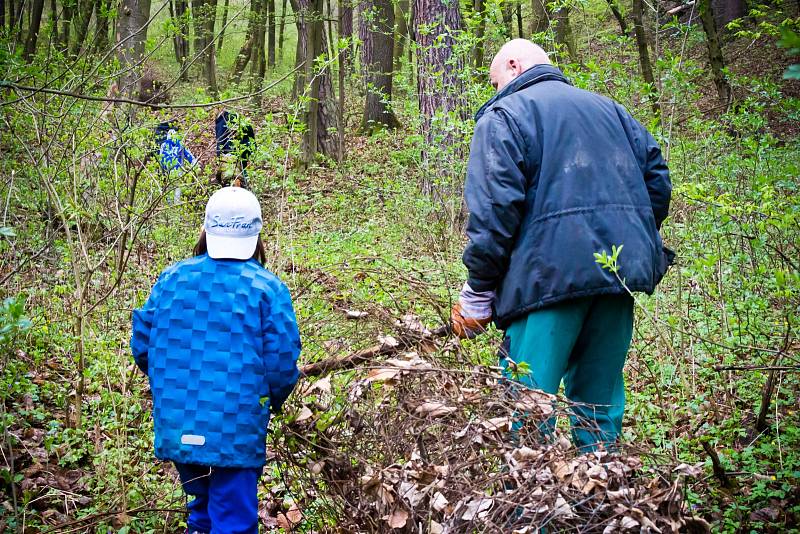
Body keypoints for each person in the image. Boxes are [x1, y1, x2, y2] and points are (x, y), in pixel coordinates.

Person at [450, 39, 673, 451]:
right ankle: (604, 508)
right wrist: (625, 234)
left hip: (544, 285)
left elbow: (494, 213)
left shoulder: (504, 116)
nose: (496, 90)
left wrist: (478, 291)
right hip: (615, 278)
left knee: (528, 413)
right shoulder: (613, 112)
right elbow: (657, 182)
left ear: (514, 65)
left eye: (496, 80)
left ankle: (530, 514)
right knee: (599, 407)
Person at [131, 187, 301, 533]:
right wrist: (270, 403)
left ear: (206, 230)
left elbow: (143, 346)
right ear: (255, 237)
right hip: (236, 427)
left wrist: (176, 389)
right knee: (232, 519)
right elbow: (282, 366)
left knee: (201, 511)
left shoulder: (171, 279)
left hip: (180, 425)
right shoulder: (267, 288)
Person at [154, 121, 197, 203]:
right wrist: (194, 163)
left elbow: (161, 158)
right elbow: (188, 155)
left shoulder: (167, 145)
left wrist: (161, 170)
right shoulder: (177, 144)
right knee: (175, 188)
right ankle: (173, 204)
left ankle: (172, 204)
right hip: (174, 170)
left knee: (172, 189)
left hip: (171, 171)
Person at [215, 111, 255, 188]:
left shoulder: (220, 123)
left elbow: (220, 142)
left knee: (230, 174)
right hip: (244, 149)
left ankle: (231, 186)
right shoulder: (241, 119)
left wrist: (219, 157)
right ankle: (245, 185)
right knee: (243, 169)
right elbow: (252, 139)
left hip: (229, 155)